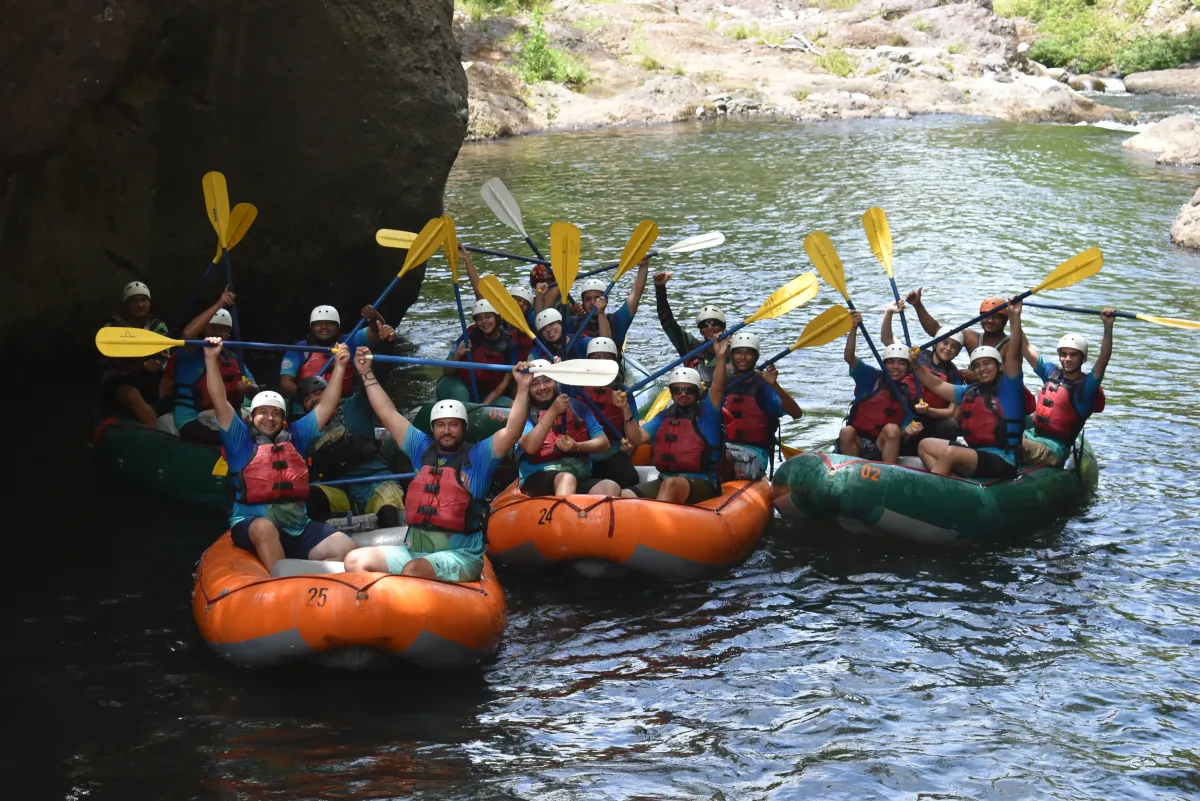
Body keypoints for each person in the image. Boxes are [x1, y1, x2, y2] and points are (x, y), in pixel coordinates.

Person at [342, 349, 532, 582]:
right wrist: (366, 373)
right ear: (433, 428)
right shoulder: (420, 448)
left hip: (459, 556)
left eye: (453, 425)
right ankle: (377, 606)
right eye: (441, 425)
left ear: (464, 428)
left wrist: (522, 388)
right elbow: (388, 413)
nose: (447, 431)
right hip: (415, 551)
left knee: (414, 569)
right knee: (355, 560)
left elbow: (512, 431)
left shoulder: (480, 456)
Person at [205, 338, 357, 571]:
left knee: (345, 547)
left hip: (296, 526)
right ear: (252, 416)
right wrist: (211, 357)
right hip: (252, 525)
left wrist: (340, 366)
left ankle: (307, 581)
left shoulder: (296, 435)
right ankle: (283, 581)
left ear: (283, 418)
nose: (269, 418)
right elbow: (219, 400)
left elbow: (326, 405)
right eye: (263, 413)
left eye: (275, 413)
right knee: (265, 528)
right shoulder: (239, 440)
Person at [299, 318, 405, 529]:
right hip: (341, 490)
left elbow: (378, 377)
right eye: (308, 399)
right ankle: (322, 543)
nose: (315, 400)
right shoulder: (304, 429)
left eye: (320, 394)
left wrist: (386, 343)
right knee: (312, 495)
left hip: (375, 482)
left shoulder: (355, 406)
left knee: (388, 507)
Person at [911, 299, 1030, 479]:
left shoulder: (1009, 387)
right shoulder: (969, 392)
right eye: (977, 366)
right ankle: (952, 483)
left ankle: (935, 486)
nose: (982, 369)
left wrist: (1015, 316)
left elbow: (1014, 353)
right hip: (975, 454)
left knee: (951, 453)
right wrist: (916, 367)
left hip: (1002, 460)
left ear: (999, 367)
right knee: (925, 445)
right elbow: (937, 385)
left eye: (987, 364)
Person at [615, 337, 729, 504]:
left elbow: (717, 388)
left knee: (671, 484)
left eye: (688, 390)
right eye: (677, 390)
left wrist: (720, 357)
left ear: (697, 392)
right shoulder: (664, 416)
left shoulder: (707, 413)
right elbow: (637, 438)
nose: (682, 394)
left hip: (702, 482)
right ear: (671, 392)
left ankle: (657, 526)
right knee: (624, 496)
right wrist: (625, 410)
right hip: (665, 479)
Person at [163, 287, 257, 445]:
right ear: (205, 328)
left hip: (226, 417)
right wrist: (219, 303)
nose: (218, 333)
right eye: (213, 328)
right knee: (225, 440)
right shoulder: (189, 352)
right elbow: (187, 335)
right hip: (192, 417)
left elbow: (254, 388)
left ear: (229, 334)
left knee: (257, 433)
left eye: (223, 330)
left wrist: (248, 387)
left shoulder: (233, 358)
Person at [1021, 308, 1114, 466]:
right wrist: (1014, 315)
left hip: (1053, 449)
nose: (1067, 359)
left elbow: (1104, 358)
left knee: (1005, 441)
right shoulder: (1051, 373)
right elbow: (1025, 346)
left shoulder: (1086, 387)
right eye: (1063, 354)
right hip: (1031, 436)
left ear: (1083, 358)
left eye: (1073, 355)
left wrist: (1107, 326)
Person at [517, 359, 618, 497]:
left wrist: (576, 446)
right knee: (566, 480)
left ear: (556, 382)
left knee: (610, 488)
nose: (542, 387)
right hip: (537, 477)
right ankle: (563, 517)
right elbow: (530, 447)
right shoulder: (524, 412)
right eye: (535, 384)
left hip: (578, 475)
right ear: (528, 387)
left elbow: (603, 443)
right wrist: (553, 411)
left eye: (547, 380)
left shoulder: (576, 406)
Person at [837, 311, 923, 465]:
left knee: (892, 429)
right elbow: (849, 357)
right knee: (846, 431)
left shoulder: (906, 395)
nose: (896, 367)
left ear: (908, 368)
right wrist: (854, 328)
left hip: (880, 446)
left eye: (902, 363)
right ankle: (850, 470)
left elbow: (900, 434)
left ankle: (887, 473)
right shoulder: (870, 377)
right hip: (857, 441)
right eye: (891, 362)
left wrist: (908, 432)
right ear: (884, 364)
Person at [722, 331, 803, 480]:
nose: (743, 357)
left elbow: (796, 414)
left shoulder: (763, 388)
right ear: (731, 356)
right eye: (738, 352)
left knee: (720, 458)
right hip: (726, 448)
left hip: (754, 455)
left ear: (756, 357)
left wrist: (774, 385)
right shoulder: (725, 384)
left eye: (748, 353)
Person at [279, 304, 386, 415]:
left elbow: (378, 329)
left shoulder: (350, 341)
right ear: (311, 327)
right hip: (307, 405)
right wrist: (308, 397)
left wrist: (373, 315)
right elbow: (286, 382)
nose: (324, 327)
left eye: (330, 323)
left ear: (338, 326)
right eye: (318, 324)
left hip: (343, 403)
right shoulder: (299, 349)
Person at [881, 300, 963, 443]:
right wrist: (888, 313)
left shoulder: (954, 374)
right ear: (936, 342)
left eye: (954, 346)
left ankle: (929, 451)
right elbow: (887, 340)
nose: (948, 348)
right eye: (945, 343)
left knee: (950, 426)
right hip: (905, 411)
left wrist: (927, 410)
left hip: (928, 417)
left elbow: (950, 412)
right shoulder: (916, 356)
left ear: (957, 352)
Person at [100, 281, 171, 426]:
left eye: (143, 300)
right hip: (119, 379)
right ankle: (160, 434)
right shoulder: (112, 327)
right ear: (126, 304)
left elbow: (165, 358)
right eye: (134, 301)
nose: (139, 305)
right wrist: (141, 365)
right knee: (130, 394)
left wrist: (159, 366)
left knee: (174, 383)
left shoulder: (157, 326)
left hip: (149, 377)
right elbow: (109, 361)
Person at [908, 289, 1011, 379]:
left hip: (995, 391)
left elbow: (1009, 378)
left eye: (996, 317)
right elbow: (937, 331)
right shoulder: (971, 337)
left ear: (1005, 320)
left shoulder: (1010, 345)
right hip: (973, 388)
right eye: (986, 316)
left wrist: (976, 377)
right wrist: (918, 305)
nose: (990, 321)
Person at [582, 337, 641, 488]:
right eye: (596, 358)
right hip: (583, 452)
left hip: (613, 451)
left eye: (607, 358)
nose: (601, 362)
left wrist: (631, 444)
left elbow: (633, 433)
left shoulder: (624, 392)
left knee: (629, 478)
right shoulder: (576, 389)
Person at [563, 256, 650, 354]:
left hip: (610, 367)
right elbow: (548, 323)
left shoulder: (617, 321)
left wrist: (643, 267)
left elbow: (635, 295)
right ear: (582, 302)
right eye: (588, 299)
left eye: (597, 298)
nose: (593, 302)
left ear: (606, 301)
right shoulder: (573, 322)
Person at [459, 245, 535, 358]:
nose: (520, 304)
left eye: (525, 304)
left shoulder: (528, 325)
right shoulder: (497, 313)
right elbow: (479, 292)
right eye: (518, 300)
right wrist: (467, 260)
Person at [438, 299, 518, 406]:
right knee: (460, 394)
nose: (484, 322)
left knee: (509, 405)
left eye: (488, 316)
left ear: (497, 318)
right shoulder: (468, 337)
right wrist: (457, 355)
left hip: (488, 393)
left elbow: (504, 383)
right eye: (479, 318)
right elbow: (447, 372)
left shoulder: (509, 345)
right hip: (459, 384)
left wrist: (484, 404)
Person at [655, 271, 727, 384]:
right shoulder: (690, 347)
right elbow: (668, 322)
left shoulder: (736, 350)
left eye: (714, 323)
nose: (709, 327)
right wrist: (660, 289)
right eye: (704, 324)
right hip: (692, 397)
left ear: (723, 328)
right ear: (700, 331)